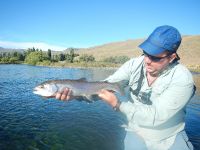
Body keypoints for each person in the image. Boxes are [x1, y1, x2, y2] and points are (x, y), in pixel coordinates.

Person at [55, 25, 196, 150]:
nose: (147, 61)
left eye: (155, 58)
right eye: (145, 53)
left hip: (168, 136)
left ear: (171, 57)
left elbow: (157, 116)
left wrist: (118, 105)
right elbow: (106, 84)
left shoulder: (183, 79)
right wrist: (77, 94)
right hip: (136, 131)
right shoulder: (135, 64)